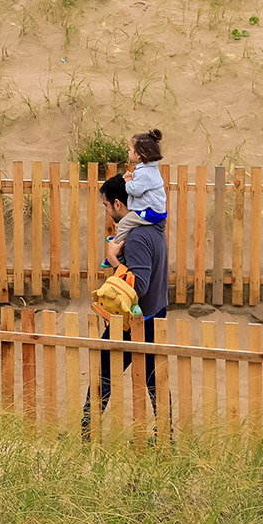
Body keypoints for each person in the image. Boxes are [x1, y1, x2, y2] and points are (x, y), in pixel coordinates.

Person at [83, 172, 170, 438]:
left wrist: (114, 259)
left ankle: (87, 434)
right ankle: (165, 436)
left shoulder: (136, 238)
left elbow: (139, 285)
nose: (107, 212)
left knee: (103, 374)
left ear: (118, 204)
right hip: (155, 313)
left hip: (136, 320)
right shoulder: (154, 229)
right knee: (154, 379)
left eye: (107, 206)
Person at [104, 129, 167, 267]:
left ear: (139, 154)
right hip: (154, 211)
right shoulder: (150, 169)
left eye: (130, 150)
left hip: (150, 212)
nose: (128, 152)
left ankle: (116, 250)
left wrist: (128, 182)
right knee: (129, 223)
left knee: (125, 223)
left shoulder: (144, 172)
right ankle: (120, 243)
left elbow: (135, 190)